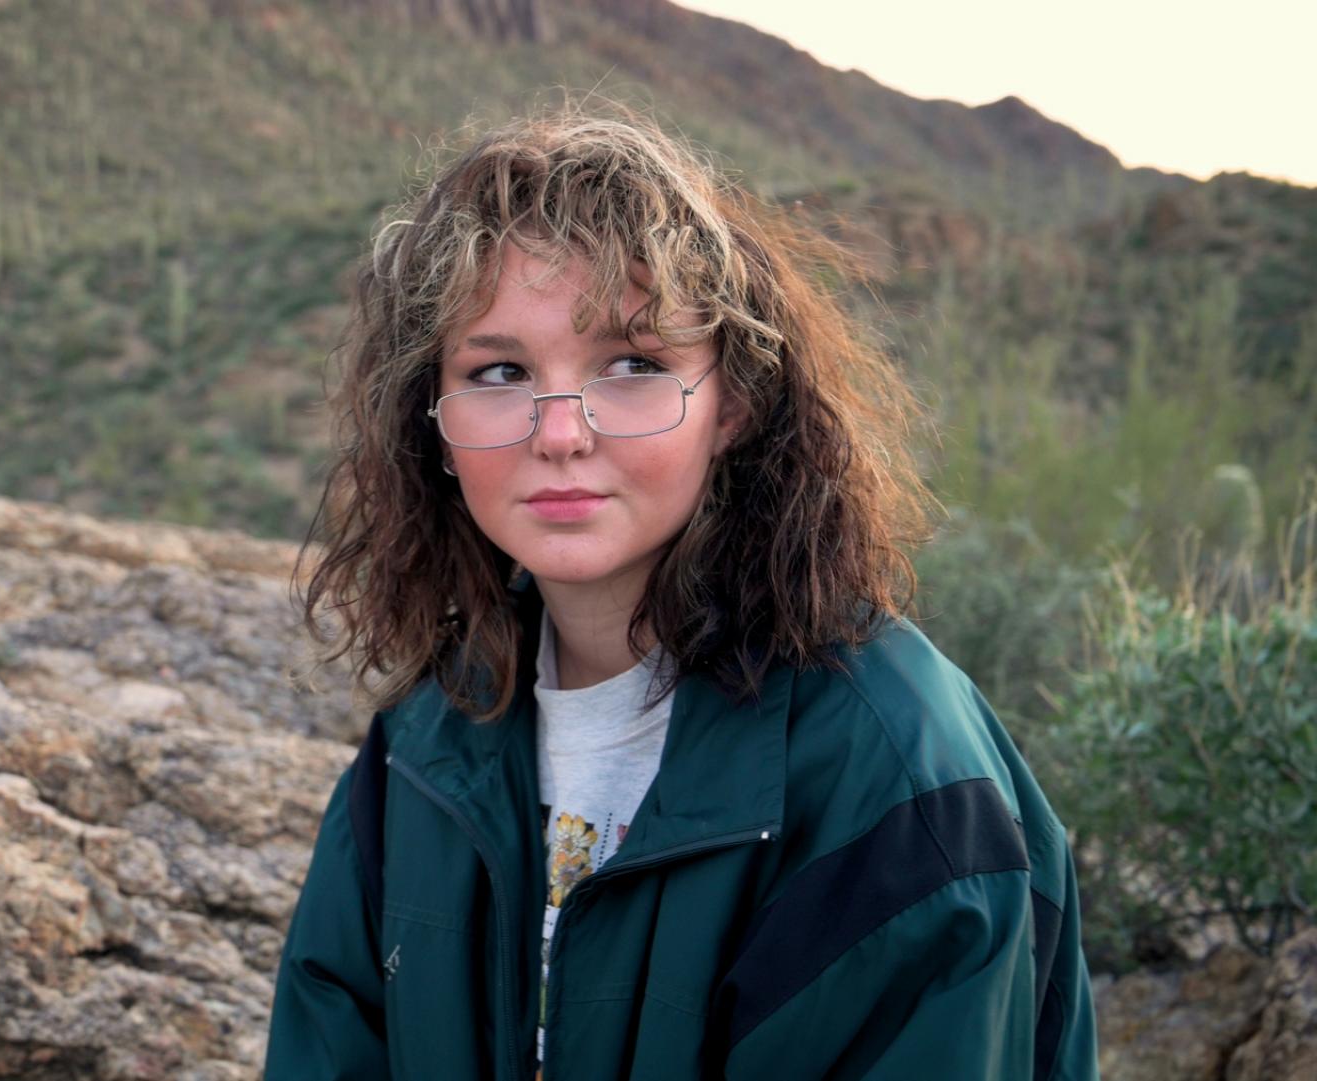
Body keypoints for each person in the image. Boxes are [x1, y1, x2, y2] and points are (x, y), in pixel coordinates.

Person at [264, 103, 1099, 1081]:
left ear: (732, 404)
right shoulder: (419, 754)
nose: (561, 432)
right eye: (499, 370)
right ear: (435, 419)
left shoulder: (895, 781)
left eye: (633, 364)